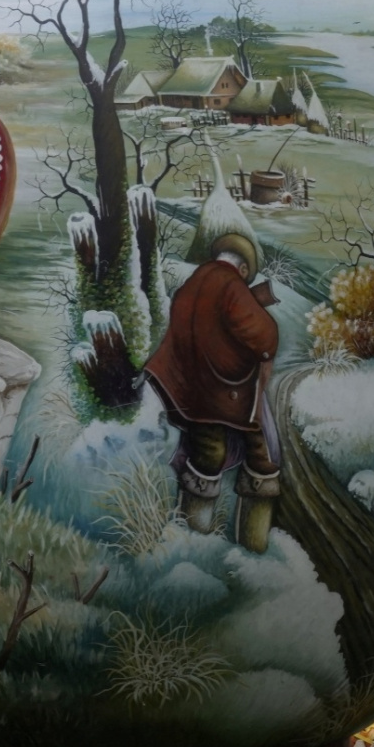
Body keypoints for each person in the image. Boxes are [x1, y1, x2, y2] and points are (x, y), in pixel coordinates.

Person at [143, 233, 280, 553]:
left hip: (196, 394)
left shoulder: (193, 283)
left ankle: (193, 543)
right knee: (262, 457)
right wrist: (265, 342)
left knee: (206, 457)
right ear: (242, 268)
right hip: (229, 394)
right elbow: (261, 332)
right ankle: (253, 546)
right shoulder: (231, 285)